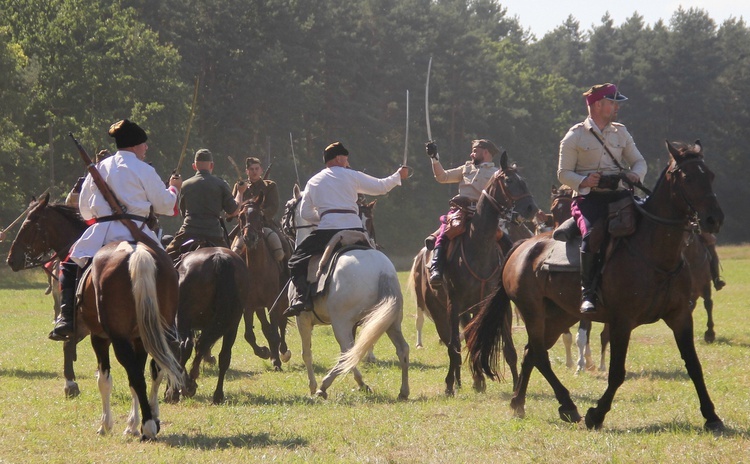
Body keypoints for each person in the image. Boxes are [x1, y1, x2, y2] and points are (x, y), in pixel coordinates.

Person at [49, 119, 183, 341]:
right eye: (143, 144)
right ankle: (171, 325)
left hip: (102, 232)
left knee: (71, 264)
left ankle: (67, 318)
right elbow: (165, 206)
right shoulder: (144, 169)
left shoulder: (99, 168)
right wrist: (174, 189)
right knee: (168, 269)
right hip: (138, 231)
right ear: (133, 145)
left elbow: (84, 210)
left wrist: (101, 218)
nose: (146, 148)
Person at [284, 141, 409, 317]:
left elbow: (305, 213)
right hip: (356, 230)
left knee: (296, 260)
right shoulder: (352, 176)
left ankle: (301, 298)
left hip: (328, 232)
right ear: (338, 158)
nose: (347, 162)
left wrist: (325, 216)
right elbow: (381, 187)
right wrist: (398, 175)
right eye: (346, 158)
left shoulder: (313, 181)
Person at [558, 83, 648, 314]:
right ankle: (588, 293)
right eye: (612, 102)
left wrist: (634, 174)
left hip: (621, 195)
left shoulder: (621, 131)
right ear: (598, 105)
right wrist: (584, 181)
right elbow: (563, 173)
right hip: (590, 200)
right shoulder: (574, 136)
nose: (617, 107)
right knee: (592, 236)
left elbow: (639, 161)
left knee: (651, 225)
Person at [425, 139, 500, 286]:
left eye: (475, 151)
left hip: (484, 213)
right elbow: (443, 177)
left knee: (502, 236)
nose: (471, 154)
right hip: (461, 212)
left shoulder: (496, 173)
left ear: (485, 152)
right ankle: (436, 269)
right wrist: (434, 158)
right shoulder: (465, 168)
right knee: (445, 234)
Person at [165, 148, 245, 260]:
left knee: (164, 258)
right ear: (211, 165)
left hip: (189, 231)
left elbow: (183, 213)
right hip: (214, 234)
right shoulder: (221, 184)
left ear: (194, 166)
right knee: (233, 263)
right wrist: (240, 193)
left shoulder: (185, 185)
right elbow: (234, 210)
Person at [230, 156, 287, 261]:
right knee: (232, 254)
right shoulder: (240, 187)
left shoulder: (270, 186)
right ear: (247, 171)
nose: (254, 172)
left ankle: (289, 273)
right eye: (251, 169)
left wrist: (260, 214)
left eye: (257, 169)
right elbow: (234, 207)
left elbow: (273, 207)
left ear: (261, 170)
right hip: (245, 227)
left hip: (266, 225)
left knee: (283, 245)